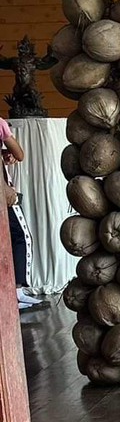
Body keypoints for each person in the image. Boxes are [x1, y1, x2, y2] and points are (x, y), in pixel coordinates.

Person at [0, 117, 42, 311]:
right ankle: (17, 291)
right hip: (4, 194)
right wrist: (4, 187)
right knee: (22, 237)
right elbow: (19, 154)